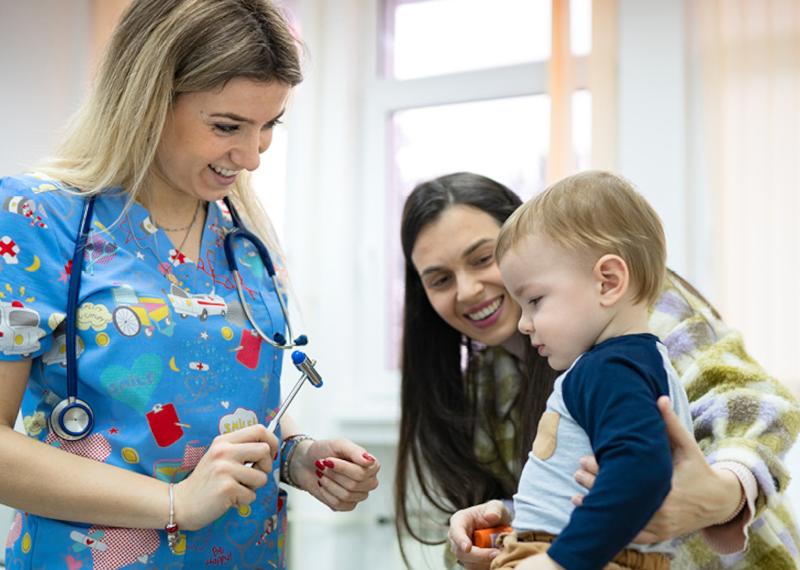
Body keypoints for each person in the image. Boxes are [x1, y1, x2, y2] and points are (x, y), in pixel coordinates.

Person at [0, 1, 379, 568]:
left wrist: (295, 455)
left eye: (268, 125)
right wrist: (175, 502)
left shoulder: (243, 241)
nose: (250, 156)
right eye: (227, 126)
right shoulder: (36, 220)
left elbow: (232, 403)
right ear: (147, 99)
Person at [395, 172, 800, 569]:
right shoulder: (487, 383)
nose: (467, 290)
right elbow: (573, 487)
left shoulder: (629, 321)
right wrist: (505, 519)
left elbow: (747, 401)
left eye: (483, 258)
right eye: (441, 280)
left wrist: (721, 492)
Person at [487, 170, 693, 569]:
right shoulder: (642, 362)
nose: (523, 323)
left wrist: (560, 561)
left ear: (608, 282)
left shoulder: (608, 368)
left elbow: (641, 470)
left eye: (534, 301)